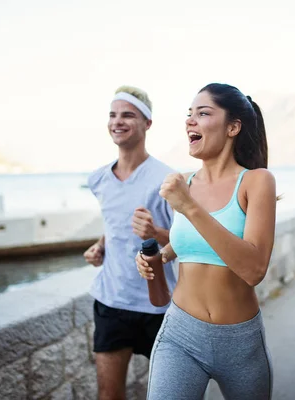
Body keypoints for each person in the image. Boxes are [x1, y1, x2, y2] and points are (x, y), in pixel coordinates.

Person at [136, 83, 276, 400]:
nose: (190, 121)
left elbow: (254, 269)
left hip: (240, 340)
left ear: (233, 127)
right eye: (189, 114)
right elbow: (188, 243)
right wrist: (159, 256)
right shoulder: (184, 182)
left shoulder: (256, 181)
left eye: (203, 113)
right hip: (181, 333)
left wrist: (189, 207)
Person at [84, 85, 177, 400]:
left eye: (128, 115)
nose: (117, 122)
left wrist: (156, 233)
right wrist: (101, 246)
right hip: (112, 304)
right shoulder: (98, 179)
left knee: (172, 395)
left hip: (160, 306)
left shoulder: (167, 180)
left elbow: (187, 240)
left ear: (147, 123)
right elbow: (115, 223)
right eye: (112, 115)